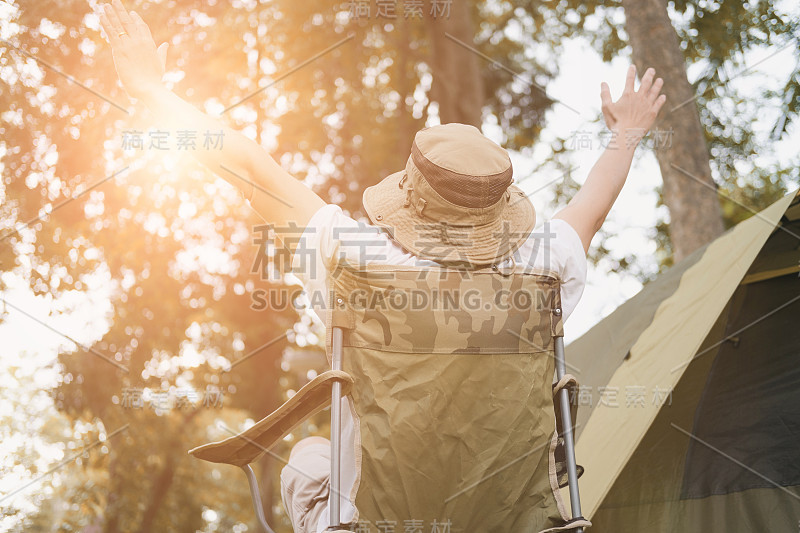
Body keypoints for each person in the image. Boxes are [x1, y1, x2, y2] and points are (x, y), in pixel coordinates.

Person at [97, 2, 666, 531]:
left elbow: (248, 165)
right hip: (513, 523)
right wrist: (628, 131)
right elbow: (593, 204)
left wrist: (152, 91)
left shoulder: (353, 256)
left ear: (412, 190)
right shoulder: (545, 263)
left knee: (309, 457)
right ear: (499, 203)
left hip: (370, 524)